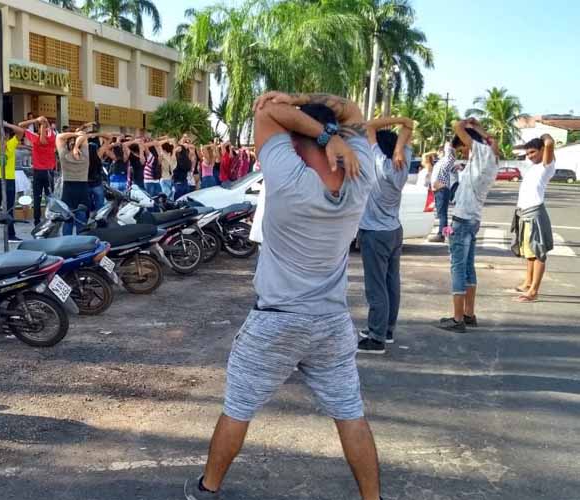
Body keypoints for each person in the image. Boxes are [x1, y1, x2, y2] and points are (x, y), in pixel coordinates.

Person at [184, 91, 383, 500]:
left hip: (276, 320)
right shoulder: (360, 176)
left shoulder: (289, 179)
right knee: (350, 413)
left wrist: (318, 128)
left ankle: (208, 488)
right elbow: (351, 110)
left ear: (294, 140)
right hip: (331, 323)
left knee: (238, 408)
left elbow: (267, 111)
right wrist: (322, 119)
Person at [355, 117, 414, 354]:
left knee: (376, 286)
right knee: (391, 283)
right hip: (394, 230)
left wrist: (400, 119)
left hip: (374, 232)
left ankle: (376, 337)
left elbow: (369, 126)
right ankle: (386, 330)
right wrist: (400, 144)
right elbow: (408, 130)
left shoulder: (378, 161)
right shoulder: (402, 162)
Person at [437, 118, 499, 332]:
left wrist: (468, 124)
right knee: (468, 268)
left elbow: (456, 125)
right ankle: (469, 314)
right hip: (473, 219)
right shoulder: (492, 158)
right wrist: (478, 128)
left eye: (462, 147)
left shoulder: (480, 153)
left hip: (463, 219)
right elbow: (493, 142)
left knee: (458, 268)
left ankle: (457, 319)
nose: (462, 152)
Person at [510, 135, 556, 302]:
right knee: (529, 253)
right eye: (527, 153)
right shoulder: (534, 167)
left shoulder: (547, 165)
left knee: (538, 253)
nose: (529, 156)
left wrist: (542, 138)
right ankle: (528, 283)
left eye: (532, 152)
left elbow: (549, 142)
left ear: (542, 150)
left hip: (535, 214)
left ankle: (533, 291)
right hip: (524, 213)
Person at [19, 116, 57, 225]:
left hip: (37, 172)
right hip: (48, 172)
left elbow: (20, 125)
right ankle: (50, 219)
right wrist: (45, 122)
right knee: (50, 197)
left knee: (37, 198)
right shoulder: (51, 138)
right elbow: (49, 130)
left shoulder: (35, 138)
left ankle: (37, 221)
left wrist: (36, 120)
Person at [56, 131, 93, 235]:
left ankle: (67, 243)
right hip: (82, 190)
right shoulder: (84, 156)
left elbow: (59, 137)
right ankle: (80, 243)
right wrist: (77, 146)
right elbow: (84, 135)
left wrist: (74, 135)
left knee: (68, 221)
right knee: (81, 222)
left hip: (68, 191)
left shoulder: (64, 155)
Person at [0, 125, 20, 240]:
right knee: (8, 208)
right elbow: (20, 132)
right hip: (7, 179)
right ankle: (10, 235)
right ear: (7, 136)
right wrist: (6, 125)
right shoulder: (9, 144)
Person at [424, 142, 455, 242]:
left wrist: (447, 146)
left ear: (443, 152)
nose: (438, 154)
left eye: (439, 152)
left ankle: (441, 235)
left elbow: (451, 158)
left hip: (442, 190)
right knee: (441, 213)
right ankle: (446, 233)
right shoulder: (440, 162)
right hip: (438, 191)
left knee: (442, 214)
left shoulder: (446, 160)